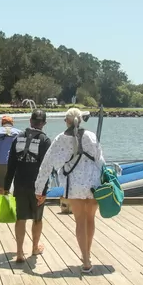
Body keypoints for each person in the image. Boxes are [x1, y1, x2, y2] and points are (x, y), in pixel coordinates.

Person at [35, 107, 105, 273]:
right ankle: (87, 254)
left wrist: (40, 188)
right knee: (90, 219)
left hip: (74, 185)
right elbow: (101, 161)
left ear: (67, 120)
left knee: (80, 221)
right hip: (93, 183)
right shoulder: (91, 136)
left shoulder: (61, 139)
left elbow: (47, 164)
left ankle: (85, 259)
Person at [1, 109, 51, 263]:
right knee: (37, 219)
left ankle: (19, 252)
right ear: (44, 123)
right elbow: (46, 168)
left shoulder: (18, 138)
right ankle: (35, 247)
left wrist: (6, 186)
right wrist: (43, 190)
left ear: (30, 121)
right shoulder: (45, 140)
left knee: (20, 218)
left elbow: (11, 164)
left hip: (20, 183)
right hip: (37, 185)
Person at [0, 115, 20, 191]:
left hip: (2, 161)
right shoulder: (19, 132)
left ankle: (2, 198)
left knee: (1, 187)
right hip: (16, 162)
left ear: (2, 123)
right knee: (15, 185)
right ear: (12, 123)